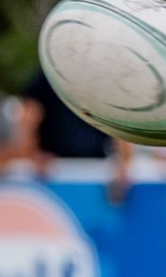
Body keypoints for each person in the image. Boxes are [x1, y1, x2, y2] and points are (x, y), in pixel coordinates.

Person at [3, 66, 131, 197]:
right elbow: (30, 115)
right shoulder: (49, 75)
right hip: (54, 168)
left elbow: (116, 121)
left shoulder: (101, 80)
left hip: (94, 168)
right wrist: (33, 154)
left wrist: (123, 163)